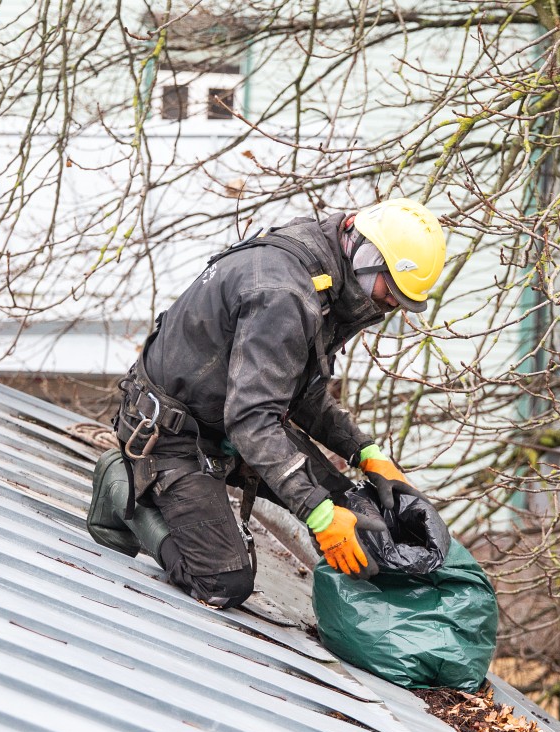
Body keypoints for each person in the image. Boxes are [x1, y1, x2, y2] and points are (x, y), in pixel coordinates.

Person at [86, 198, 446, 608]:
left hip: (229, 421)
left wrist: (364, 452)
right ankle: (121, 485)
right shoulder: (284, 293)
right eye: (392, 289)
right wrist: (317, 512)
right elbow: (252, 421)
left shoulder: (326, 276)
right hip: (172, 435)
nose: (394, 304)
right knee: (223, 581)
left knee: (358, 512)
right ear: (367, 254)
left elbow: (299, 393)